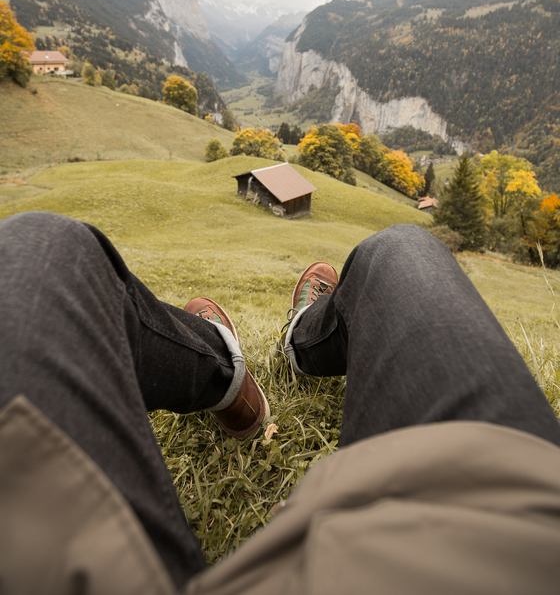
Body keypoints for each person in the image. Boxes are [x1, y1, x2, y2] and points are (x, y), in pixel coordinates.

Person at [1, 210, 560, 595]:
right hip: (486, 539)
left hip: (50, 559)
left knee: (42, 246)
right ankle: (298, 342)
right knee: (401, 249)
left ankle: (226, 374)